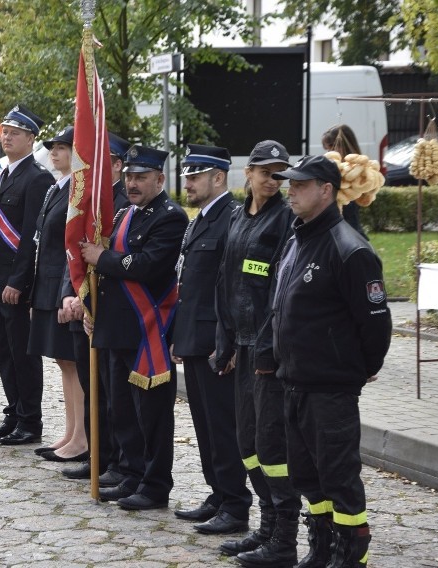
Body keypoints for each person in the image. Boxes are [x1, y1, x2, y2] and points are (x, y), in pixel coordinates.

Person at [270, 155, 391, 568]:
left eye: (300, 184)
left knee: (339, 477)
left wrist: (353, 370)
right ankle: (321, 547)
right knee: (307, 476)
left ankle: (352, 552)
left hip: (330, 387)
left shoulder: (350, 248)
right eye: (290, 183)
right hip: (294, 381)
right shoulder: (297, 239)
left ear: (326, 190)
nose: (290, 190)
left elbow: (376, 324)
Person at [80, 144, 188, 511]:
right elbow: (106, 276)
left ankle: (155, 484)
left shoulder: (170, 217)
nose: (132, 183)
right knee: (121, 410)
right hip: (117, 327)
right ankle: (130, 473)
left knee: (152, 416)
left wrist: (104, 257)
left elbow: (148, 265)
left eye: (141, 177)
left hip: (148, 332)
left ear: (160, 178)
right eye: (128, 176)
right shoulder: (125, 212)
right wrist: (91, 306)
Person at [213, 141, 301, 567]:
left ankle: (284, 540)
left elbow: (280, 294)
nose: (273, 179)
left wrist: (268, 348)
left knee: (271, 446)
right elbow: (225, 282)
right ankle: (265, 528)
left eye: (280, 172)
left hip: (268, 352)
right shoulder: (235, 217)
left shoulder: (285, 220)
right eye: (266, 170)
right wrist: (224, 341)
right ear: (248, 173)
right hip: (241, 347)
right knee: (247, 442)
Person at [170, 144, 251, 534]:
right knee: (203, 423)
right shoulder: (200, 218)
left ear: (219, 178)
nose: (187, 182)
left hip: (217, 341)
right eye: (187, 175)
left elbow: (232, 287)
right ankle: (218, 493)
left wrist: (229, 342)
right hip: (195, 336)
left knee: (222, 425)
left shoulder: (231, 219)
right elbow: (189, 283)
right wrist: (178, 336)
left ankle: (236, 504)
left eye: (195, 176)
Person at [0, 105, 54, 446]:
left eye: (15, 133)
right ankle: (14, 413)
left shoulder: (37, 177)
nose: (6, 137)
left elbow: (31, 234)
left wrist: (18, 281)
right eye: (4, 132)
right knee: (3, 351)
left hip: (14, 282)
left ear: (31, 138)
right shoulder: (1, 174)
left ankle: (30, 420)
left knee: (22, 354)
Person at [60, 131, 131, 482]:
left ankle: (115, 461)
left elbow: (114, 258)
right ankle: (97, 456)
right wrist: (69, 294)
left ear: (115, 165)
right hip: (81, 307)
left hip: (106, 309)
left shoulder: (121, 204)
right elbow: (71, 251)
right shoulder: (87, 201)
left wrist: (85, 297)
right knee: (93, 390)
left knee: (109, 392)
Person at [28, 126, 86, 462]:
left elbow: (71, 246)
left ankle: (81, 437)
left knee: (72, 362)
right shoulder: (56, 189)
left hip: (62, 284)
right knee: (63, 362)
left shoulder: (78, 191)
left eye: (63, 147)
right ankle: (70, 431)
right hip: (48, 283)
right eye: (53, 147)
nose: (55, 152)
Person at [321, 125, 368, 239]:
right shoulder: (329, 169)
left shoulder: (358, 172)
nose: (329, 152)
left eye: (332, 146)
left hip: (350, 235)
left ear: (345, 145)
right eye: (327, 149)